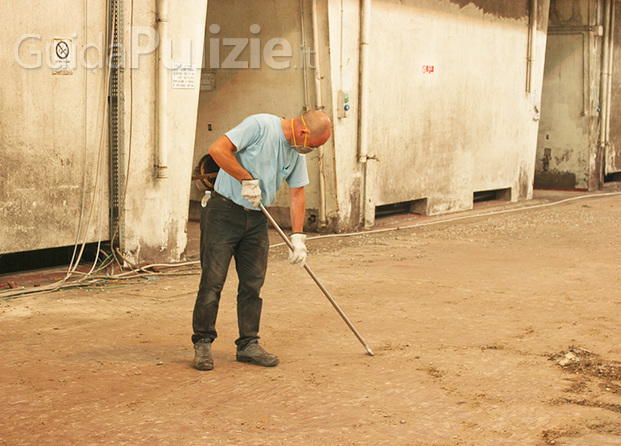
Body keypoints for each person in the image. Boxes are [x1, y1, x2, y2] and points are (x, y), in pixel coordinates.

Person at [192, 110, 332, 371]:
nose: (310, 151)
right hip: (223, 211)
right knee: (213, 281)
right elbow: (217, 150)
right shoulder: (259, 126)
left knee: (252, 284)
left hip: (257, 219)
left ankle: (248, 344)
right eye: (313, 146)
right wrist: (245, 178)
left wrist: (298, 237)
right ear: (303, 133)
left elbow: (297, 193)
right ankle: (202, 341)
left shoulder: (295, 151)